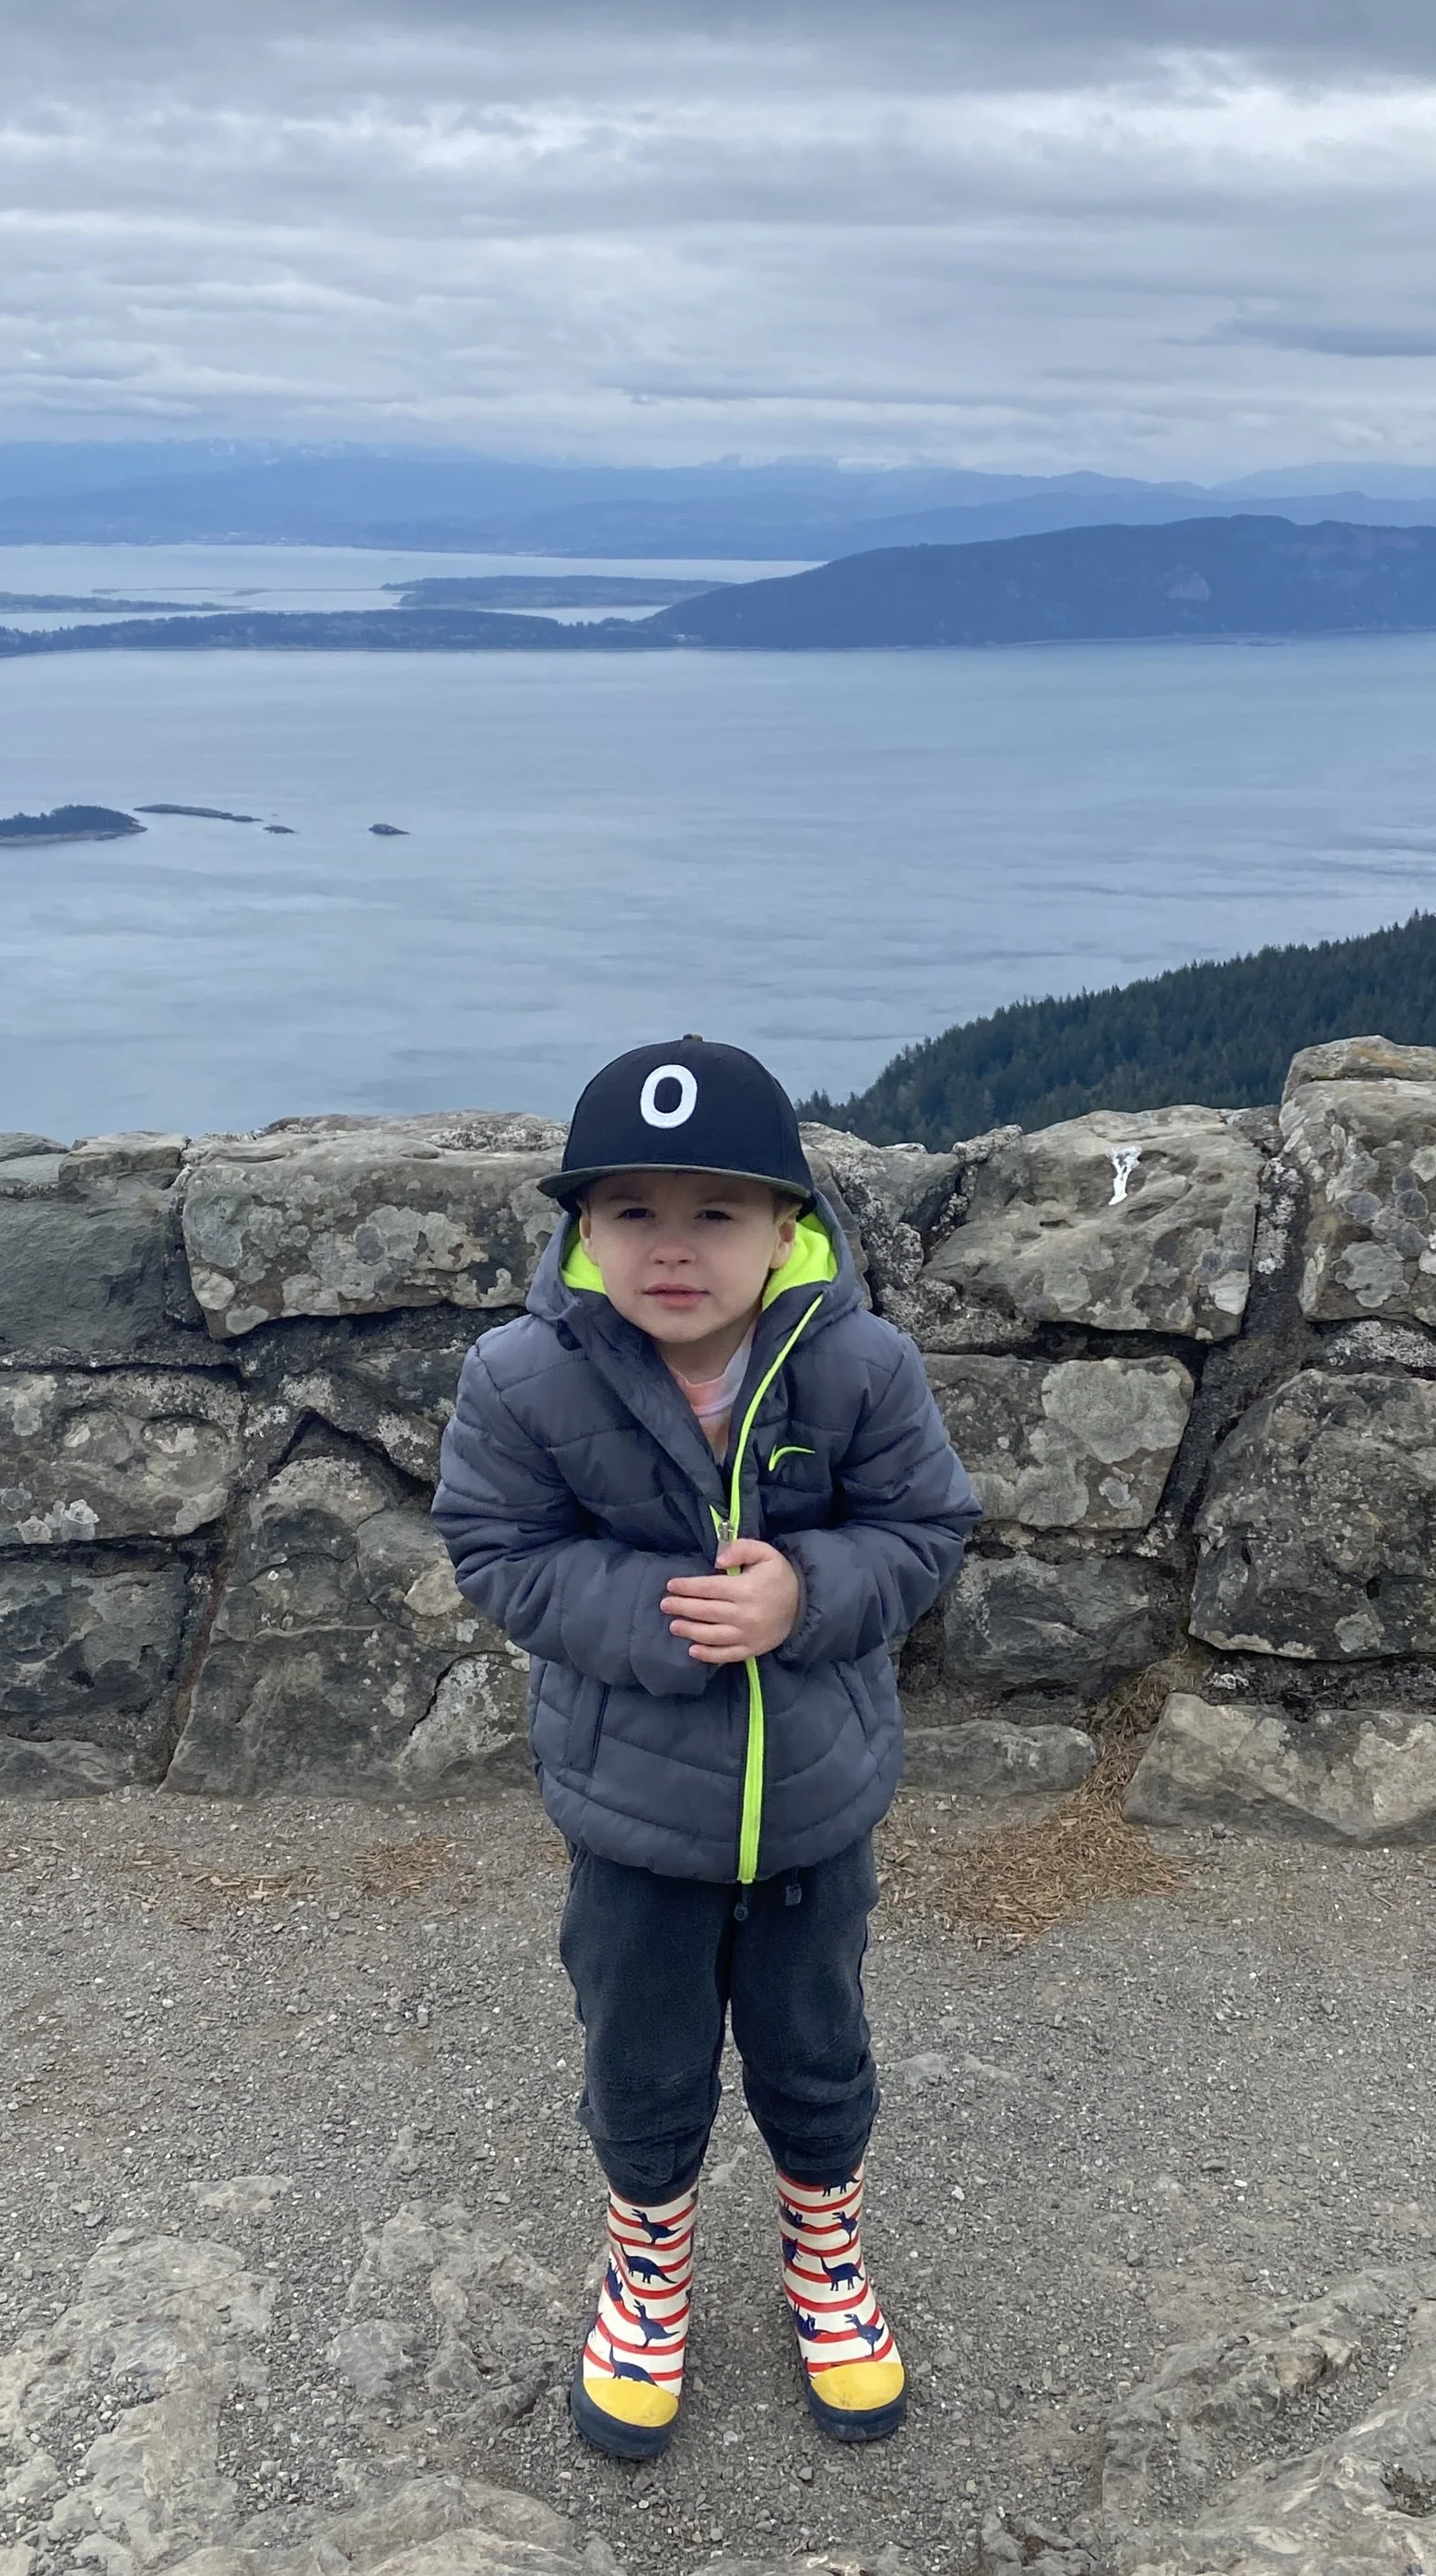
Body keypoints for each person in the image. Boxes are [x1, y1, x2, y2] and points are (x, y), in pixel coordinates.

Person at [431, 1036, 979, 2464]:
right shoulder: (523, 1374)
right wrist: (672, 1618)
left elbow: (926, 1530)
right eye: (634, 1212)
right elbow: (497, 1547)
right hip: (631, 1811)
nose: (673, 1248)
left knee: (816, 2042)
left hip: (813, 1800)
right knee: (643, 2053)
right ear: (581, 1229)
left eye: (716, 1213)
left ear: (791, 1226)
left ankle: (823, 2249)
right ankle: (649, 2263)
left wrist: (806, 1594)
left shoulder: (858, 1363)